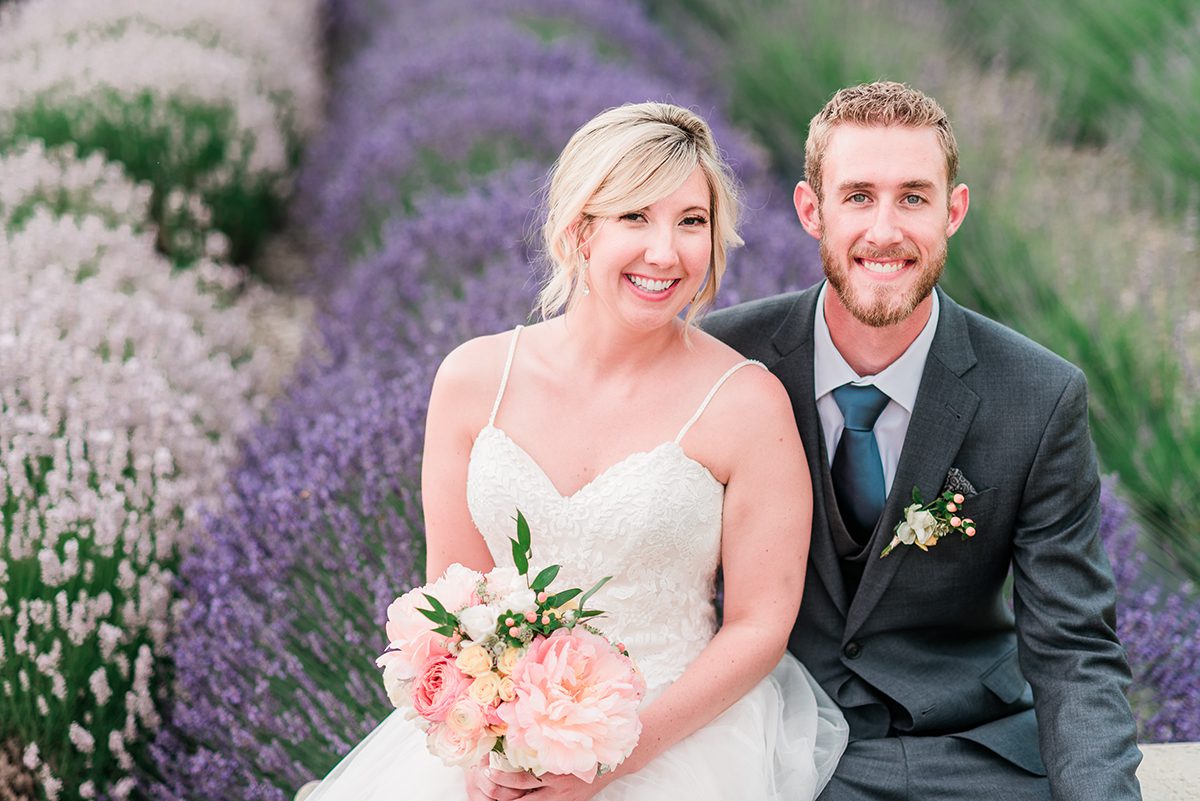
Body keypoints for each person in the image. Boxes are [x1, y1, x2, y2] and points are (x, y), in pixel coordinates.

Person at [305, 102, 848, 801]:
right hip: (499, 748)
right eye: (635, 217)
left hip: (679, 738)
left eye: (691, 221)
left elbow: (758, 626)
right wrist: (480, 744)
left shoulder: (747, 404)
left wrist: (606, 761)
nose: (666, 251)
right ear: (578, 229)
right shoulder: (474, 381)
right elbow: (454, 600)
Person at [704, 81, 1143, 801]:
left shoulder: (1039, 394)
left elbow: (1073, 647)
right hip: (776, 748)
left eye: (913, 196)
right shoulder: (726, 361)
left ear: (954, 210)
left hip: (974, 756)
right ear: (810, 211)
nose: (885, 230)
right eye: (858, 196)